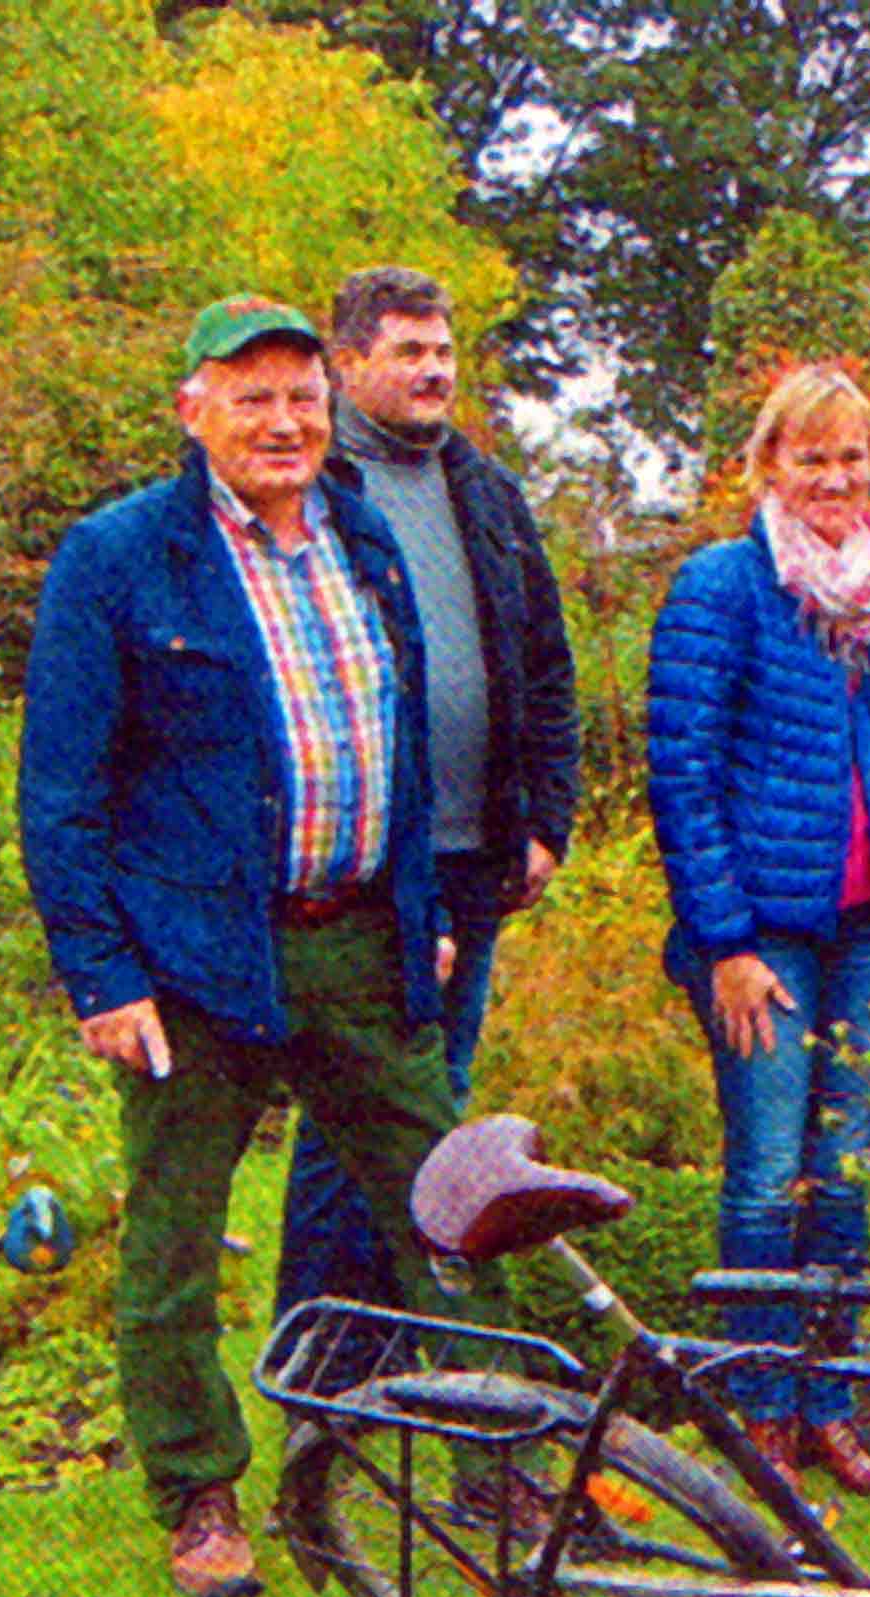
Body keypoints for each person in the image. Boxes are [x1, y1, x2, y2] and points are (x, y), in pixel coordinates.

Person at [20, 295, 467, 1597]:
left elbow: (408, 739)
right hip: (192, 965)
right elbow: (60, 794)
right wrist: (103, 976)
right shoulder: (119, 558)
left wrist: (419, 920)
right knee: (173, 1241)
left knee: (445, 1204)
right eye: (252, 394)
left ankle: (500, 1455)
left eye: (302, 395)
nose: (284, 421)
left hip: (355, 943)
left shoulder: (360, 535)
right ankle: (199, 1490)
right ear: (192, 409)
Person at [645, 363, 870, 1497]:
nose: (833, 477)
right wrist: (722, 939)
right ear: (768, 465)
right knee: (768, 1171)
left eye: (850, 456)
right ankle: (761, 1403)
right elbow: (682, 771)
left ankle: (833, 1397)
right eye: (809, 458)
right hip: (761, 930)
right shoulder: (723, 585)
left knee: (846, 1166)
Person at [275, 265, 580, 1321]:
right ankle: (327, 1355)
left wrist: (548, 818)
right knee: (356, 1114)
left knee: (437, 1109)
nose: (434, 370)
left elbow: (544, 659)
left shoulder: (485, 491)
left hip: (475, 853)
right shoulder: (313, 494)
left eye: (443, 350)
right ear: (347, 363)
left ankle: (419, 1342)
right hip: (363, 859)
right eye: (408, 351)